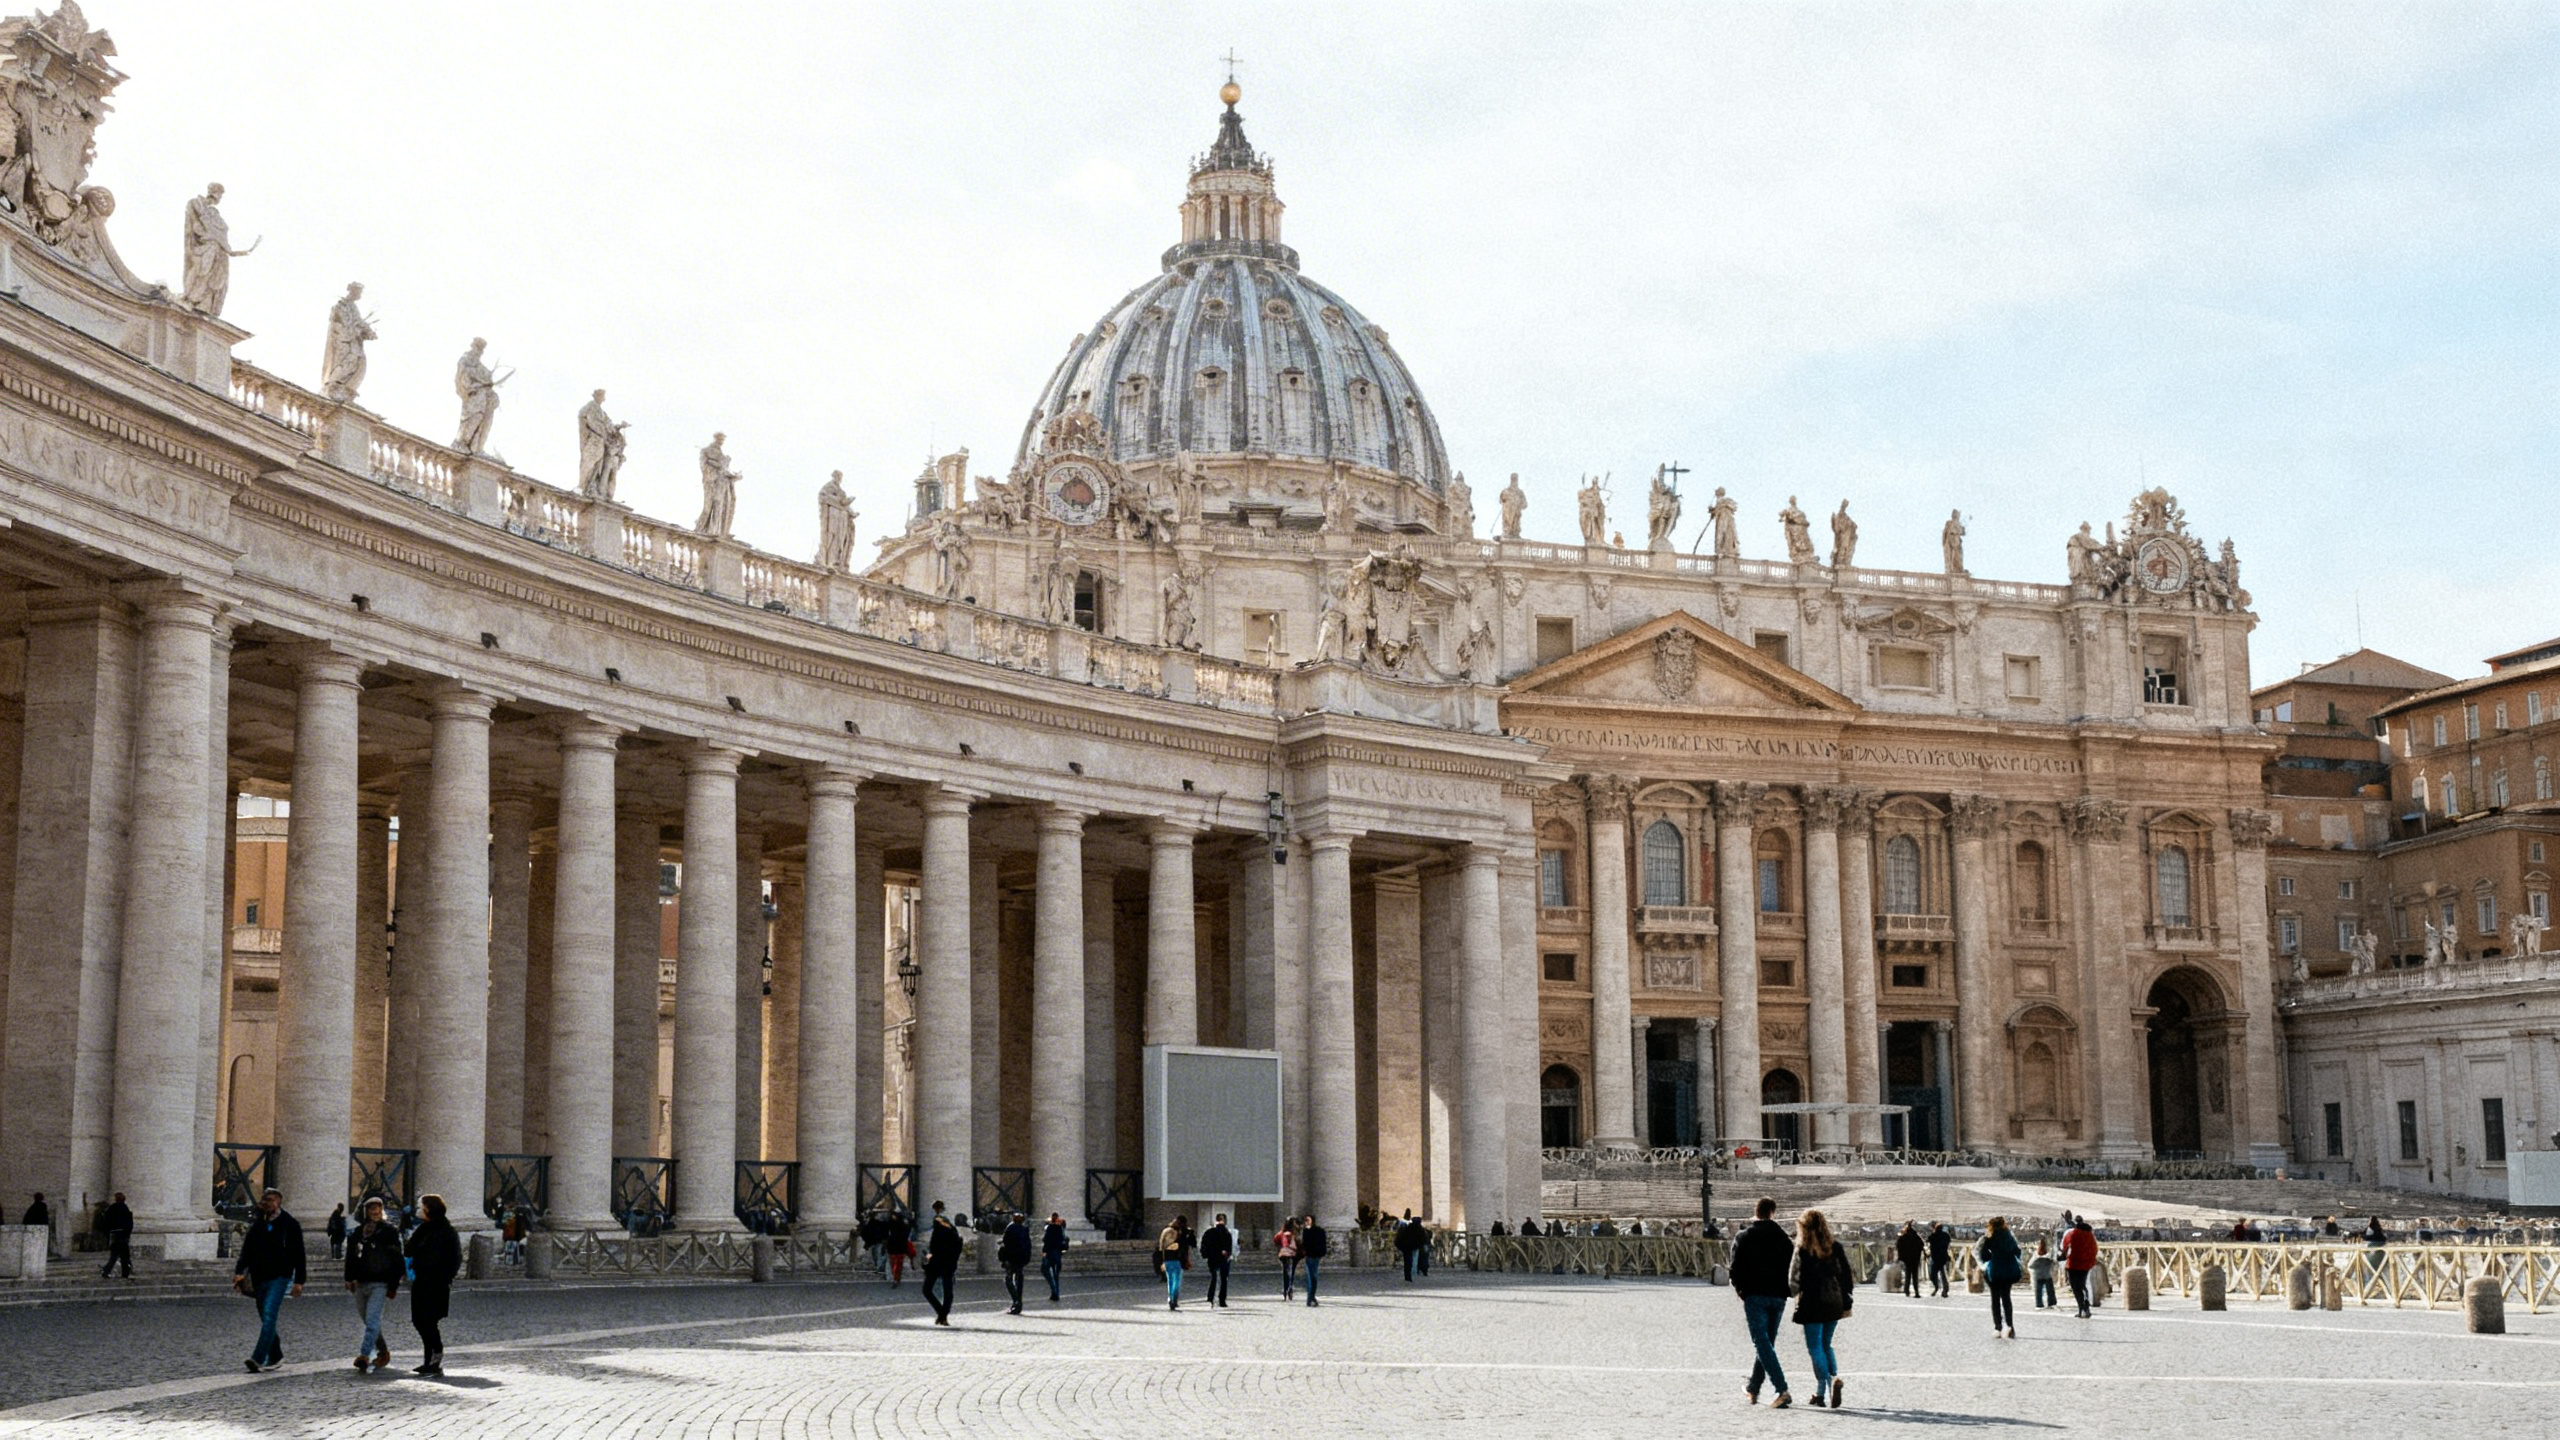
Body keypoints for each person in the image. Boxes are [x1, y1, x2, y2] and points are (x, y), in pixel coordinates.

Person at [1731, 1196, 1795, 1408]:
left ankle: (1781, 1388)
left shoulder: (1744, 1236)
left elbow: (1735, 1267)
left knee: (1762, 1342)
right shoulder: (1785, 1240)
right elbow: (1791, 1269)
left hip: (1754, 1295)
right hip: (1778, 1297)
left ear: (1756, 1212)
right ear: (1772, 1212)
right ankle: (1754, 1387)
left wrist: (1741, 1289)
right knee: (1767, 1343)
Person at [233, 1188, 306, 1372]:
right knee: (265, 1317)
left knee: (269, 1315)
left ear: (279, 1201)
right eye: (266, 1200)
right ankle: (276, 1355)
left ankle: (257, 1358)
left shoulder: (290, 1224)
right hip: (259, 1277)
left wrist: (299, 1281)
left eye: (272, 1200)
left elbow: (299, 1254)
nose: (269, 1203)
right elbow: (247, 1250)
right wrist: (239, 1271)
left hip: (280, 1276)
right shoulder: (258, 1224)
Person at [1789, 1208, 1855, 1410]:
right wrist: (1845, 1297)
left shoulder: (1802, 1249)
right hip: (1834, 1302)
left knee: (1814, 1347)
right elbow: (1847, 1277)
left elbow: (1793, 1280)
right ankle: (1834, 1378)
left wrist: (1793, 1295)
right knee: (1826, 1344)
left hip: (1812, 1302)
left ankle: (1822, 1389)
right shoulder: (1835, 1246)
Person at [402, 1193, 461, 1376]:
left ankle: (435, 1356)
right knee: (419, 1320)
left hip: (437, 1283)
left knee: (429, 1321)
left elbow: (455, 1257)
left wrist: (446, 1276)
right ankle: (429, 1360)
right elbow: (410, 1249)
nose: (419, 1209)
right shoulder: (423, 1229)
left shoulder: (446, 1230)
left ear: (429, 1208)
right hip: (421, 1281)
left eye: (421, 1206)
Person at [343, 1196, 402, 1372]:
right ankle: (383, 1351)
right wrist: (349, 1277)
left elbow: (396, 1259)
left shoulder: (389, 1231)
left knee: (372, 1320)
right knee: (369, 1322)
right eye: (371, 1209)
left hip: (380, 1282)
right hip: (361, 1282)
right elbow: (351, 1257)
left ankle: (364, 1355)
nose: (375, 1212)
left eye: (378, 1208)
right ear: (366, 1211)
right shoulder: (358, 1232)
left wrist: (393, 1285)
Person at [1979, 1216, 2023, 1339]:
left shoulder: (1990, 1239)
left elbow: (1984, 1256)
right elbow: (2017, 1252)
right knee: (2007, 1299)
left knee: (1995, 1300)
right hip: (2008, 1271)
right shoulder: (2009, 1238)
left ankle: (1998, 1327)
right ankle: (2010, 1326)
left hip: (1995, 1271)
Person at [921, 1211, 964, 1326]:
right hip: (948, 1265)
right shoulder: (954, 1233)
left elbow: (933, 1248)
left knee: (927, 1290)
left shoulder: (938, 1231)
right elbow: (957, 1250)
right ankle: (943, 1315)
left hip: (936, 1264)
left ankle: (941, 1313)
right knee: (947, 1291)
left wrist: (930, 1256)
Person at [2060, 1215, 2099, 1319]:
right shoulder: (2090, 1236)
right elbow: (2095, 1249)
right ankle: (2086, 1306)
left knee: (2076, 1287)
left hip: (2073, 1263)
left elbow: (2064, 1247)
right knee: (2083, 1285)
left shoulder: (2073, 1233)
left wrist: (2062, 1255)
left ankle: (2081, 1308)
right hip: (2086, 1264)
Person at [998, 1212, 1032, 1315]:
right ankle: (1018, 1301)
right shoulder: (1024, 1229)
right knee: (1019, 1279)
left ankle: (1016, 1300)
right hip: (1021, 1258)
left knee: (1008, 1279)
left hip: (1012, 1258)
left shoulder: (1010, 1228)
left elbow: (1006, 1244)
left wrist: (1004, 1258)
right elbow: (1028, 1245)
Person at [1159, 1215, 1193, 1311]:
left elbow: (1161, 1247)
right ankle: (1174, 1299)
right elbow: (1181, 1245)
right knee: (1176, 1281)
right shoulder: (1177, 1233)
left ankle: (1170, 1297)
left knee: (1169, 1281)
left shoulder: (1165, 1231)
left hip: (1167, 1260)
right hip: (1176, 1259)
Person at [1201, 1213, 1235, 1307]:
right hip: (1223, 1259)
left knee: (1214, 1277)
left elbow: (1204, 1245)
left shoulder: (1209, 1232)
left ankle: (1211, 1296)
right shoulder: (1226, 1233)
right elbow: (1229, 1247)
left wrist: (1206, 1254)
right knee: (1223, 1279)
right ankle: (1221, 1299)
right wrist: (1227, 1253)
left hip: (1212, 1258)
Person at [97, 1192, 133, 1279]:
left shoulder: (111, 1208)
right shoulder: (125, 1208)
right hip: (122, 1234)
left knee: (114, 1255)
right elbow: (129, 1223)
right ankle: (125, 1273)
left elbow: (106, 1221)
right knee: (124, 1255)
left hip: (114, 1234)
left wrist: (108, 1232)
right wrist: (128, 1234)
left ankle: (106, 1270)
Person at [1299, 1214, 1328, 1307]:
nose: (1306, 1222)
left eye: (1308, 1220)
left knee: (1312, 1277)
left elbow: (1305, 1243)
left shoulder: (1310, 1231)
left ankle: (1310, 1298)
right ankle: (1311, 1298)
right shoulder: (1316, 1231)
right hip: (1312, 1255)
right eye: (1305, 1220)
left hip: (1313, 1255)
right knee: (1312, 1277)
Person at [1040, 1211, 1069, 1303]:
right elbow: (1064, 1239)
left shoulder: (1049, 1228)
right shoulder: (1060, 1228)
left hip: (1050, 1253)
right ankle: (1055, 1292)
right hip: (1058, 1253)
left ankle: (1054, 1292)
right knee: (1056, 1274)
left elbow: (1046, 1241)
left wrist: (1044, 1251)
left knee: (1046, 1271)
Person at [1893, 1222, 1922, 1297]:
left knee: (1908, 1275)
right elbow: (1921, 1245)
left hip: (1907, 1259)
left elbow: (1898, 1245)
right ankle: (1916, 1292)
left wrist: (1901, 1257)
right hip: (1915, 1259)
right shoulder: (1916, 1238)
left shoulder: (1903, 1238)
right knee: (1915, 1276)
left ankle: (1907, 1290)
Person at [885, 1208, 913, 1286]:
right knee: (896, 1263)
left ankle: (896, 1278)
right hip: (897, 1246)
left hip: (897, 1246)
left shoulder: (895, 1224)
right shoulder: (901, 1224)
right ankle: (896, 1278)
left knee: (896, 1263)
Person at [1395, 1208, 1425, 1282]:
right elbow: (1423, 1237)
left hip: (1406, 1247)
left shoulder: (1407, 1227)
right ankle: (1413, 1272)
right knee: (1414, 1259)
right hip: (1414, 1246)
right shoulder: (1418, 1228)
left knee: (1407, 1261)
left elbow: (1401, 1236)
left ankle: (1408, 1274)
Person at [1925, 1222, 1952, 1296]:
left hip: (1935, 1257)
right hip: (1943, 1257)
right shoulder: (1946, 1235)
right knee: (1943, 1274)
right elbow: (1948, 1245)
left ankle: (1937, 1287)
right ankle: (1945, 1290)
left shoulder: (1933, 1236)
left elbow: (1927, 1243)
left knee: (1933, 1274)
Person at [1276, 1217, 1301, 1300]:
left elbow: (1276, 1241)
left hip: (1283, 1254)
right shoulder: (1291, 1234)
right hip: (1292, 1254)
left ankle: (1286, 1289)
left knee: (1286, 1272)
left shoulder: (1281, 1233)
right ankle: (1289, 1288)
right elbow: (1298, 1243)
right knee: (1291, 1272)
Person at [2030, 1238, 2058, 1310]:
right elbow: (2054, 1263)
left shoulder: (2035, 1255)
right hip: (2047, 1275)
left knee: (2038, 1291)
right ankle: (2051, 1302)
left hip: (2038, 1275)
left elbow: (2030, 1265)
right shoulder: (2049, 1255)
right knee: (2050, 1290)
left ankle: (2039, 1304)